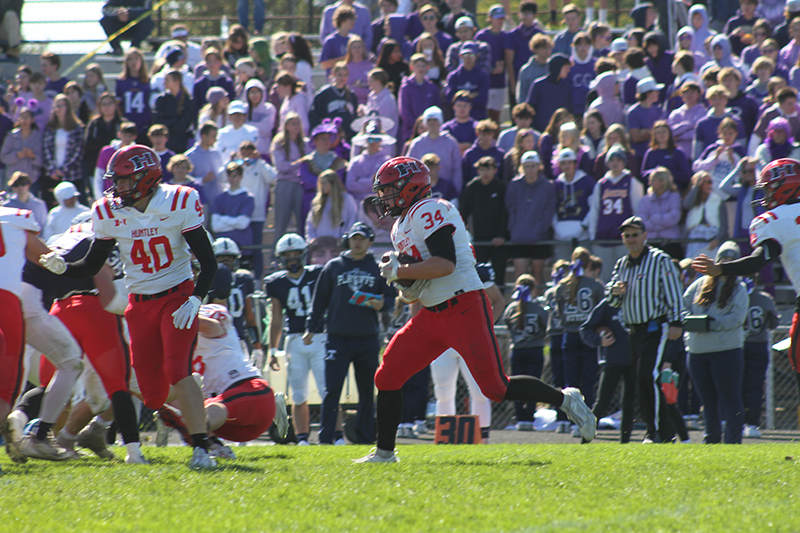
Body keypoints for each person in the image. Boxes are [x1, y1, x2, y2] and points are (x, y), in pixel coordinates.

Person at [357, 156, 596, 463]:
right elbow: (421, 277)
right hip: (431, 314)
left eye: (390, 190)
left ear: (410, 188)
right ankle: (385, 454)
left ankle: (565, 400)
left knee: (495, 387)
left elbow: (445, 264)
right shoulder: (400, 225)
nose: (384, 198)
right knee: (387, 376)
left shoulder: (429, 209)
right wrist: (406, 287)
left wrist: (400, 273)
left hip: (464, 306)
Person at [38, 144, 220, 469]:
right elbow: (92, 264)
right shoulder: (109, 211)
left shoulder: (180, 200)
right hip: (139, 304)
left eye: (125, 181)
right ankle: (196, 395)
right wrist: (63, 267)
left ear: (146, 177)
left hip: (177, 295)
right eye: (116, 181)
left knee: (177, 370)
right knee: (152, 396)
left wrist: (195, 298)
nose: (118, 188)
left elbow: (208, 261)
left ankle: (202, 448)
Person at [692, 157, 800, 404]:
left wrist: (719, 269)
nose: (766, 195)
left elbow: (758, 261)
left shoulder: (774, 220)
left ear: (785, 186)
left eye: (769, 188)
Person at [304, 222, 394, 445]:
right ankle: (325, 439)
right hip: (338, 338)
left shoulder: (378, 268)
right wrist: (311, 328)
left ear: (370, 241)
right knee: (332, 390)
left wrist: (380, 304)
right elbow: (319, 301)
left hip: (367, 338)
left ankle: (364, 439)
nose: (357, 242)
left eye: (362, 238)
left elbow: (390, 300)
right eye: (354, 238)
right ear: (348, 240)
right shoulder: (333, 266)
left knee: (366, 392)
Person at [606, 215, 684, 443]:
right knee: (640, 381)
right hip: (633, 331)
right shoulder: (621, 264)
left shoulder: (660, 260)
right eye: (627, 235)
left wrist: (677, 322)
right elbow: (612, 303)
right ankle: (662, 432)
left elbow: (674, 293)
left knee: (647, 376)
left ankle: (656, 432)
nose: (631, 239)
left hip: (655, 327)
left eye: (635, 235)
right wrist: (614, 292)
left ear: (645, 236)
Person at [683, 241, 748, 444]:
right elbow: (681, 307)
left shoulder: (739, 288)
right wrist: (691, 322)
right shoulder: (699, 284)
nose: (726, 263)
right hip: (697, 351)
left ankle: (733, 442)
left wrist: (711, 324)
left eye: (731, 259)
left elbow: (737, 318)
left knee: (730, 399)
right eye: (723, 259)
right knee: (708, 401)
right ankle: (710, 440)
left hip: (726, 351)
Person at [265, 234, 324, 446]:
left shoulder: (318, 274)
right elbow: (277, 319)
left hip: (321, 336)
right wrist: (273, 350)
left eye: (295, 254)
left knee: (329, 391)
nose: (292, 259)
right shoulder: (276, 283)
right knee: (298, 394)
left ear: (303, 255)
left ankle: (334, 438)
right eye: (287, 255)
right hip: (295, 340)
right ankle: (302, 439)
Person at [554, 247, 606, 418]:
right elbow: (601, 311)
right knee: (588, 380)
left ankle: (567, 419)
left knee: (570, 382)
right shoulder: (595, 285)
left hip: (569, 335)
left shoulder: (562, 285)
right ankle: (587, 417)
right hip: (588, 335)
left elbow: (560, 313)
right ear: (589, 263)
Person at [579, 296, 635, 443]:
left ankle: (625, 443)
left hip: (635, 360)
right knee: (602, 403)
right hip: (612, 361)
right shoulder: (608, 304)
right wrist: (599, 340)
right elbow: (585, 328)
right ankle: (585, 440)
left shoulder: (639, 302)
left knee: (629, 404)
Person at [588, 144, 644, 282]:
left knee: (626, 278)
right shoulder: (601, 184)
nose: (615, 163)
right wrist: (592, 234)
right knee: (605, 279)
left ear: (623, 162)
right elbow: (595, 210)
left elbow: (637, 210)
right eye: (612, 160)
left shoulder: (631, 182)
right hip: (603, 237)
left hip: (625, 238)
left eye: (618, 160)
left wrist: (637, 234)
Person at [502, 274, 547, 431]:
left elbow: (507, 325)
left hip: (518, 350)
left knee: (516, 385)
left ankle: (520, 418)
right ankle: (529, 418)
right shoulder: (539, 309)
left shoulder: (511, 308)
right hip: (535, 350)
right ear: (533, 289)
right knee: (533, 383)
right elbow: (544, 328)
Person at [505, 151, 555, 283]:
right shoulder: (514, 185)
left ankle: (537, 303)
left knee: (537, 274)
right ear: (522, 167)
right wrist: (514, 230)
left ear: (539, 166)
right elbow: (510, 210)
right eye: (527, 166)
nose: (530, 169)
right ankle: (519, 303)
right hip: (518, 238)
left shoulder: (548, 186)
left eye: (533, 166)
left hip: (539, 238)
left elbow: (548, 212)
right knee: (519, 275)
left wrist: (540, 230)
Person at [459, 157, 508, 287]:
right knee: (478, 276)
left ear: (495, 170)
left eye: (489, 169)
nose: (485, 173)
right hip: (479, 239)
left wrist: (502, 235)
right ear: (477, 171)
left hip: (498, 240)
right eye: (482, 169)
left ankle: (500, 304)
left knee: (499, 277)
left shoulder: (501, 187)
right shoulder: (471, 188)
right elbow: (463, 213)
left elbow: (505, 213)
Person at [406, 106, 463, 194]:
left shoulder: (451, 142)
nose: (432, 123)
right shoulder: (417, 143)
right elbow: (409, 168)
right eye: (429, 120)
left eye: (435, 119)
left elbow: (457, 169)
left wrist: (456, 190)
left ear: (440, 121)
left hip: (446, 191)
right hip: (422, 190)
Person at [637, 167, 682, 260]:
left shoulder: (674, 197)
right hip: (651, 244)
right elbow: (642, 223)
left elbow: (674, 218)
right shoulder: (645, 200)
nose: (649, 184)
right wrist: (664, 222)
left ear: (663, 182)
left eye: (653, 180)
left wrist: (653, 219)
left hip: (671, 244)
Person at [683, 171, 728, 260]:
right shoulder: (693, 199)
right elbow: (686, 205)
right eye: (706, 182)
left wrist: (717, 239)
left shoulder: (718, 200)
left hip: (712, 238)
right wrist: (696, 187)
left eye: (710, 182)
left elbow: (724, 225)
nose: (709, 185)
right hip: (695, 238)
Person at [1, 107, 43, 192]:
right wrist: (16, 155)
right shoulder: (11, 136)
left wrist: (33, 156)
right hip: (13, 182)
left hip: (31, 182)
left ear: (32, 120)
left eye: (27, 117)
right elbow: (3, 157)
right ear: (18, 120)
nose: (24, 120)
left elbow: (42, 162)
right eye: (22, 117)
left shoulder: (38, 137)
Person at [115, 48, 152, 144]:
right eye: (130, 59)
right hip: (128, 127)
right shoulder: (121, 82)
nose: (133, 62)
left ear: (141, 61)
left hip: (144, 126)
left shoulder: (148, 81)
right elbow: (118, 103)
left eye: (136, 58)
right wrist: (122, 118)